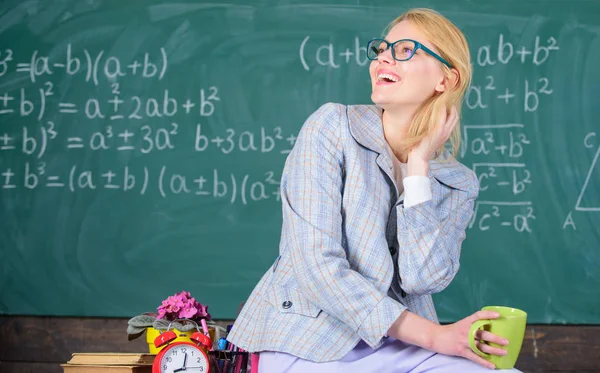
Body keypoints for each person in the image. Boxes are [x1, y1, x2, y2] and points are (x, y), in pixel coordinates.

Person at [227, 8, 521, 373]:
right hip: (307, 338)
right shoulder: (331, 127)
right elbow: (318, 268)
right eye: (382, 48)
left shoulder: (459, 182)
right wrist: (436, 337)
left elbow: (421, 279)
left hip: (400, 345)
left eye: (405, 49)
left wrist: (418, 168)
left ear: (446, 79)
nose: (383, 56)